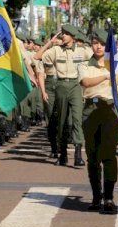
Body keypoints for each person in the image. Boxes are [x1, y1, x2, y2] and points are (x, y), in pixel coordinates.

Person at [79, 29, 118, 214]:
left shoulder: (117, 66)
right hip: (90, 110)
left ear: (108, 46)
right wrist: (105, 75)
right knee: (92, 156)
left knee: (109, 155)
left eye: (102, 44)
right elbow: (85, 82)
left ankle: (109, 197)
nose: (98, 46)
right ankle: (96, 197)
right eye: (95, 43)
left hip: (110, 111)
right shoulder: (85, 65)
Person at [34, 24, 92, 166]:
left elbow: (98, 58)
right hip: (60, 86)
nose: (63, 36)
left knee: (77, 119)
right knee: (61, 121)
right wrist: (49, 42)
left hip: (76, 86)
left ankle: (78, 154)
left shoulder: (82, 51)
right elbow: (37, 56)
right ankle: (63, 154)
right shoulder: (55, 50)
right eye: (62, 34)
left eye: (66, 34)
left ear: (73, 36)